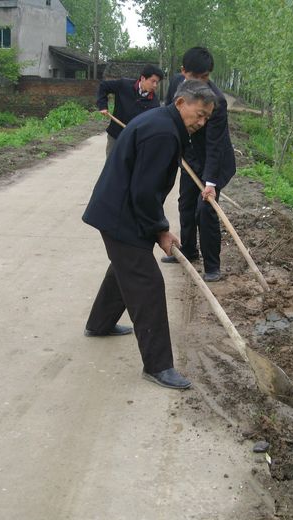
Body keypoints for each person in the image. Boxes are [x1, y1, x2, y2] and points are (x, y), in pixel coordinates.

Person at [82, 80, 217, 390]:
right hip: (120, 213)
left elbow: (145, 189)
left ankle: (99, 324)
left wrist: (157, 228)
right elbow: (145, 192)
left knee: (126, 267)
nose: (201, 122)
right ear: (181, 103)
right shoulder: (163, 133)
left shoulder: (163, 123)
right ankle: (158, 365)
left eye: (207, 118)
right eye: (199, 114)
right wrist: (160, 231)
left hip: (119, 208)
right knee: (147, 282)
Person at [160, 47, 236, 282]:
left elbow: (215, 145)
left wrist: (210, 183)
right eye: (197, 77)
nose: (202, 83)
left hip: (215, 162)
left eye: (206, 77)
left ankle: (212, 266)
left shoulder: (217, 101)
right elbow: (170, 116)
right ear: (184, 72)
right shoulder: (176, 85)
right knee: (185, 203)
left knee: (205, 210)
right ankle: (189, 250)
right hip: (189, 157)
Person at [96, 64, 164, 157]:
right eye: (153, 81)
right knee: (111, 163)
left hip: (134, 141)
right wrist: (103, 106)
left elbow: (151, 126)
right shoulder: (124, 85)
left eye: (157, 82)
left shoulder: (154, 103)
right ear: (143, 78)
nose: (155, 85)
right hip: (115, 135)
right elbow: (104, 86)